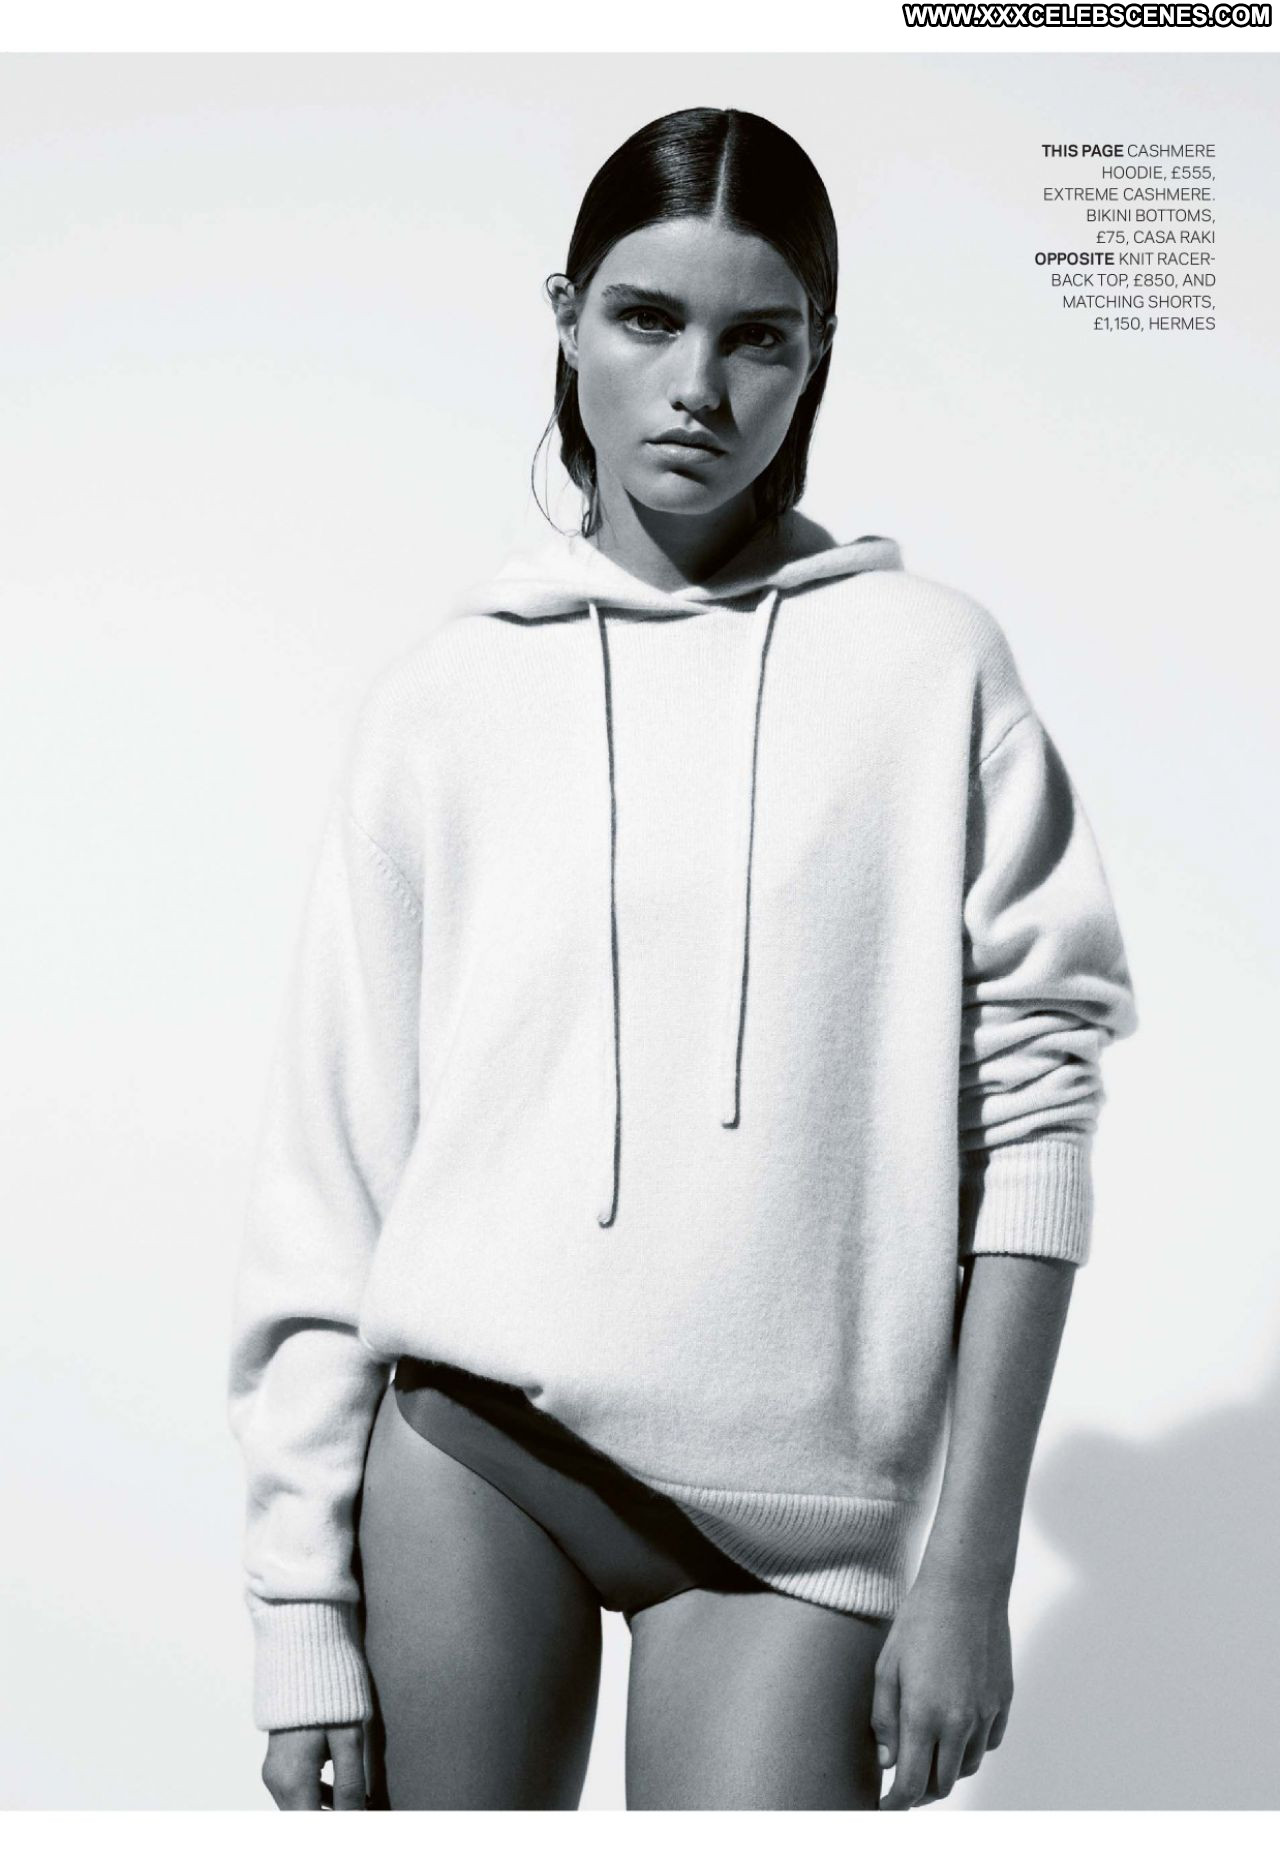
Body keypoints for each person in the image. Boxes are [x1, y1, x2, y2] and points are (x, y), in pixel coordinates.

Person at [226, 105, 1139, 1812]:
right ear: (567, 319)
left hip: (802, 1518)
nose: (697, 387)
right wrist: (299, 1612)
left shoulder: (933, 669)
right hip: (476, 1450)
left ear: (817, 356)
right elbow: (333, 1172)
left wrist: (968, 1566)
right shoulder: (443, 702)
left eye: (756, 337)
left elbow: (1035, 1122)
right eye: (648, 319)